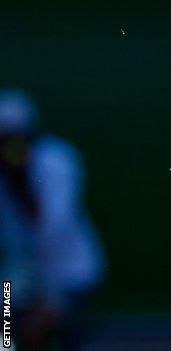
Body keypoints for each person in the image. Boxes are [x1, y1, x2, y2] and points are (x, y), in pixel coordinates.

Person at [0, 88, 106, 350]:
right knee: (6, 322)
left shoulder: (58, 161)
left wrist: (50, 302)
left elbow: (55, 227)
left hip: (73, 275)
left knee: (50, 330)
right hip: (22, 276)